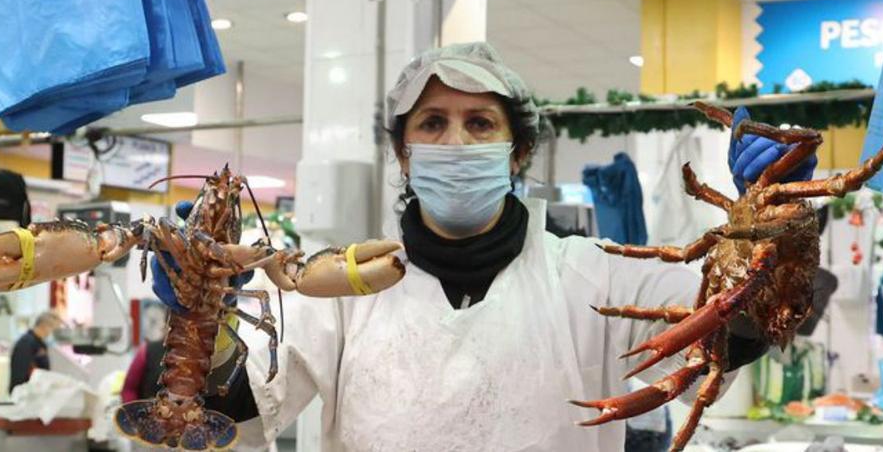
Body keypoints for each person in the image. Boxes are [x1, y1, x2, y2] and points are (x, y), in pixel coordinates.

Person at [152, 42, 812, 450]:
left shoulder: (594, 277)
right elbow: (228, 417)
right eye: (432, 124)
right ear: (402, 154)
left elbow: (739, 323)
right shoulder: (334, 290)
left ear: (517, 150)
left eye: (479, 123)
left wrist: (779, 223)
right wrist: (203, 315)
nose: (456, 144)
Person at [8, 310, 63, 392]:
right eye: (55, 329)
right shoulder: (26, 343)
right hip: (26, 395)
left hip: (36, 393)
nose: (54, 333)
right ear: (45, 326)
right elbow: (20, 374)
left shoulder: (41, 344)